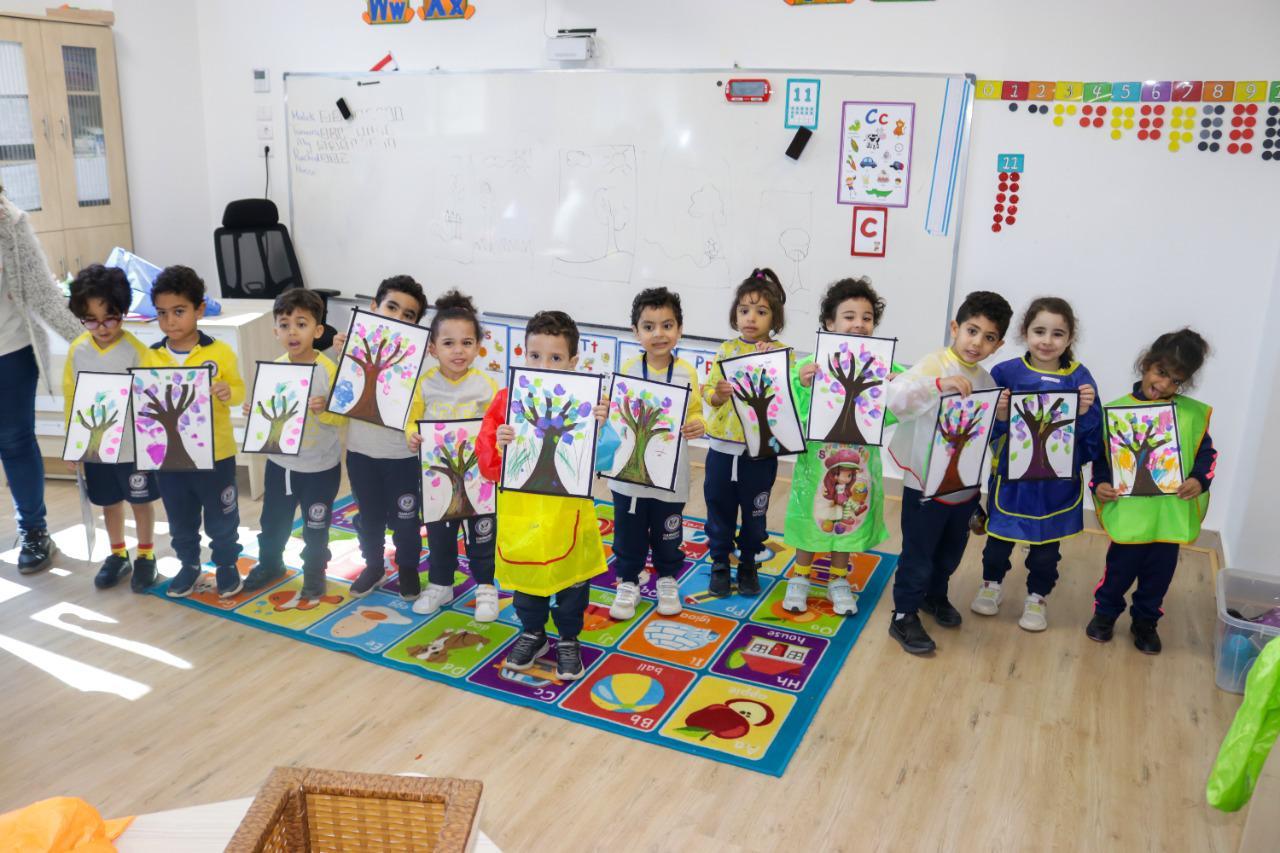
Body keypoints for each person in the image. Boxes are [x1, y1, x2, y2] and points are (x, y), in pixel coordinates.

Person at [477, 310, 609, 681]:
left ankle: (569, 638)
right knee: (526, 582)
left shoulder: (586, 404)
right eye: (535, 356)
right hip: (523, 514)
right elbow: (487, 464)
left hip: (568, 513)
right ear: (523, 355)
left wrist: (601, 426)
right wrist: (499, 445)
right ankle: (532, 632)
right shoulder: (507, 400)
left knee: (571, 583)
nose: (543, 365)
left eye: (555, 358)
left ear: (573, 362)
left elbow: (607, 460)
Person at [884, 290, 1013, 655]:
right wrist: (938, 385)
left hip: (964, 487)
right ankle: (903, 614)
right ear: (955, 327)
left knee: (951, 552)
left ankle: (934, 595)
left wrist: (1000, 414)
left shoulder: (987, 379)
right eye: (972, 331)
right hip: (926, 484)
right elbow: (896, 399)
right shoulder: (934, 364)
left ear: (998, 344)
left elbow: (985, 432)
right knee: (918, 552)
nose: (977, 343)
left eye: (989, 337)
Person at [969, 297, 1101, 632]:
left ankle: (1037, 596)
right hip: (1011, 482)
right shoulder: (1005, 373)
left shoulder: (1080, 379)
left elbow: (1092, 438)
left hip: (1054, 485)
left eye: (1057, 334)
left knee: (1045, 549)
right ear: (1025, 332)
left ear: (1070, 339)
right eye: (1039, 331)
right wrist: (999, 415)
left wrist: (1084, 413)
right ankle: (991, 584)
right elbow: (982, 429)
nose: (1047, 340)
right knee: (998, 540)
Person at [1087, 328, 1216, 655]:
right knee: (1119, 571)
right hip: (1132, 517)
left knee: (1158, 578)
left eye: (1175, 380)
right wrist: (1100, 484)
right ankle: (1105, 615)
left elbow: (1207, 455)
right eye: (1160, 372)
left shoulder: (1191, 416)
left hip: (1169, 518)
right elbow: (1103, 459)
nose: (1164, 385)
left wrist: (1199, 479)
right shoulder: (1117, 412)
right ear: (1146, 364)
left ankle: (1145, 622)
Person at [783, 277, 897, 616]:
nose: (859, 324)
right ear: (830, 323)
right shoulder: (813, 365)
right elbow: (791, 401)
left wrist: (895, 386)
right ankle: (800, 577)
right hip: (817, 462)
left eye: (866, 317)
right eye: (849, 316)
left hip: (858, 461)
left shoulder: (880, 364)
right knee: (812, 515)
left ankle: (838, 579)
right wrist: (802, 382)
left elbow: (901, 402)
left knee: (847, 518)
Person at [144, 266, 246, 598]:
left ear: (199, 310)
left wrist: (228, 392)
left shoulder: (219, 353)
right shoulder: (151, 357)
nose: (170, 321)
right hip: (170, 459)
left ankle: (227, 564)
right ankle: (189, 565)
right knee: (180, 517)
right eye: (162, 313)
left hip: (216, 453)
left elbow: (239, 389)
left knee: (221, 515)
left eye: (179, 311)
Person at [607, 287, 705, 620]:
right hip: (629, 478)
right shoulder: (628, 371)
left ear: (679, 329)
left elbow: (695, 412)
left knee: (668, 531)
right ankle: (628, 581)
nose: (658, 333)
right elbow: (616, 415)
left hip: (670, 475)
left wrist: (697, 424)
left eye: (667, 325)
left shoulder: (686, 373)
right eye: (648, 326)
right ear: (636, 332)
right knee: (628, 532)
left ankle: (666, 578)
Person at [241, 289, 345, 601]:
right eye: (284, 325)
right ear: (275, 332)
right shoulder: (276, 368)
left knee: (316, 526)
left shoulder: (328, 371)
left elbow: (343, 420)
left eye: (301, 324)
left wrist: (325, 409)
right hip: (281, 466)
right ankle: (270, 563)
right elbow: (270, 415)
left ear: (318, 331)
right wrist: (254, 412)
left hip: (319, 467)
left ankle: (314, 573)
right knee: (273, 521)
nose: (292, 332)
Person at [62, 265, 159, 591]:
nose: (101, 328)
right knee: (108, 502)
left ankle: (146, 554)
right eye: (91, 320)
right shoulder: (78, 351)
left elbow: (151, 400)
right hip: (97, 445)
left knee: (140, 499)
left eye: (110, 318)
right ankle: (118, 553)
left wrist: (154, 444)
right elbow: (71, 398)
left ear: (123, 312)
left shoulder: (138, 351)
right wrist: (73, 444)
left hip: (133, 447)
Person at [0, 188, 81, 573]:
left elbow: (44, 295)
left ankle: (34, 532)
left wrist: (89, 345)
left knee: (15, 442)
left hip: (10, 352)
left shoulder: (10, 223)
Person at [406, 290, 501, 620]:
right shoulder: (425, 385)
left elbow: (495, 427)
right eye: (448, 343)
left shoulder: (487, 386)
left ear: (478, 346)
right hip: (438, 477)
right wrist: (413, 436)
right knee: (440, 534)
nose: (458, 351)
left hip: (479, 480)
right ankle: (440, 583)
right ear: (433, 349)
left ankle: (486, 587)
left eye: (466, 342)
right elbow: (411, 421)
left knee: (482, 535)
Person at [335, 275, 430, 599]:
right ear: (374, 308)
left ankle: (407, 569)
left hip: (401, 457)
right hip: (361, 453)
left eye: (408, 315)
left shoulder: (417, 362)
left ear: (416, 324)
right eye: (391, 307)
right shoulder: (352, 350)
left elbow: (421, 407)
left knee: (406, 520)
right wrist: (342, 358)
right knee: (369, 517)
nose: (398, 318)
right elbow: (340, 400)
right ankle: (373, 565)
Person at [701, 268, 788, 598]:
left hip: (760, 452)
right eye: (744, 310)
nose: (751, 318)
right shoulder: (725, 351)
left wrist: (774, 366)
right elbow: (709, 392)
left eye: (761, 311)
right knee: (718, 510)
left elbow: (787, 399)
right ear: (735, 315)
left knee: (755, 513)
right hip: (722, 449)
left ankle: (749, 563)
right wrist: (719, 394)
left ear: (774, 318)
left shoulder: (781, 352)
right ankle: (720, 563)